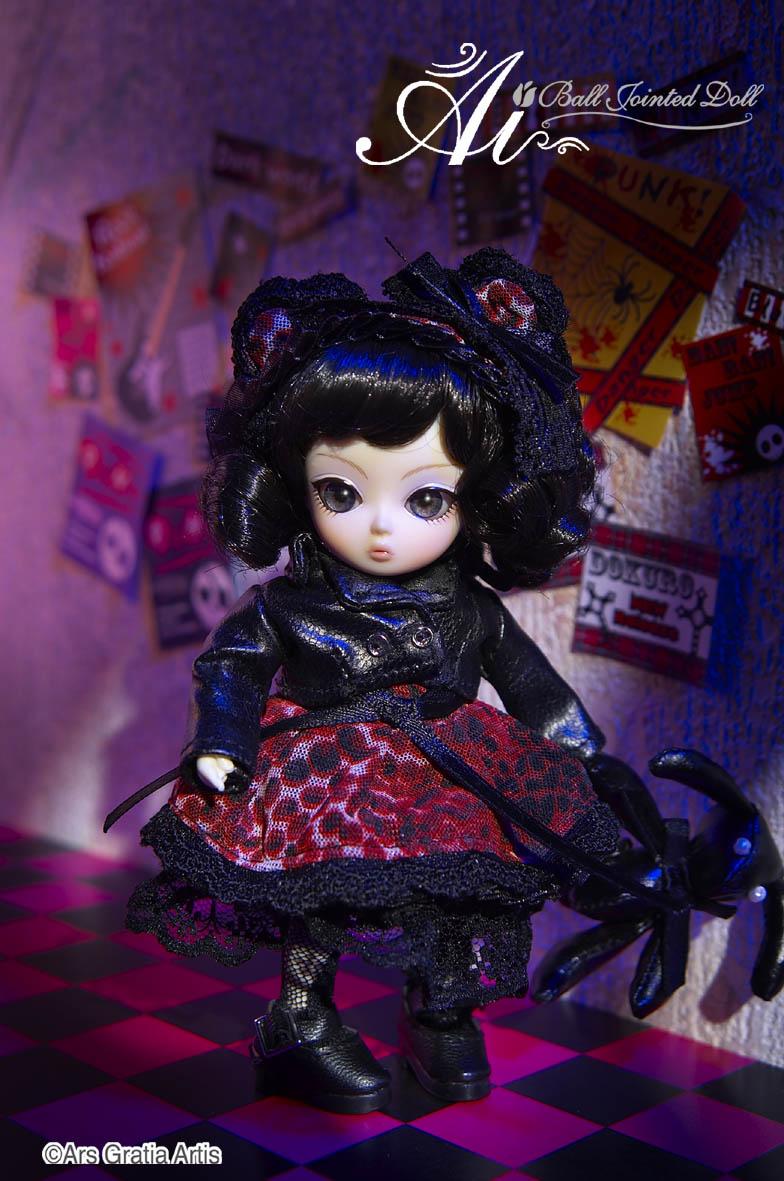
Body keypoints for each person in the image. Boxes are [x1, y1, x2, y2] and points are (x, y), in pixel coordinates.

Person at [124, 247, 648, 1113]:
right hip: (325, 773)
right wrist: (221, 739)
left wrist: (580, 749)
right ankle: (298, 1016)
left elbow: (533, 683)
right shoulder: (288, 603)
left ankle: (439, 1011)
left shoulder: (473, 609)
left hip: (445, 763)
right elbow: (232, 662)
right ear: (296, 483)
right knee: (319, 896)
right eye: (341, 491)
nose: (378, 528)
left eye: (425, 499)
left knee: (451, 889)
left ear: (473, 495)